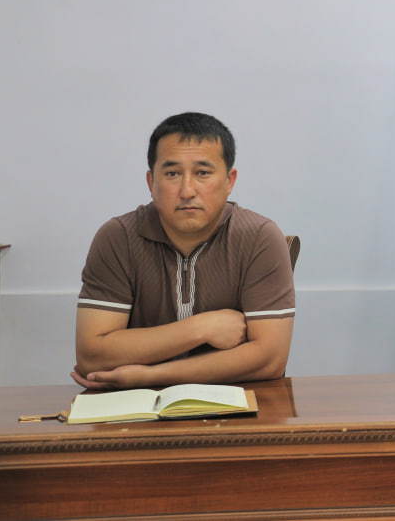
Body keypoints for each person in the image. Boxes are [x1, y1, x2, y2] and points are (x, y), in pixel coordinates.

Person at [73, 112, 295, 390]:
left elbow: (270, 359)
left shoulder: (259, 237)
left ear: (230, 180)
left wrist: (150, 376)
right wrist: (202, 328)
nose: (187, 190)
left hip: (238, 404)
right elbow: (92, 356)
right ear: (151, 183)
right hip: (136, 407)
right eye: (172, 174)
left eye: (203, 173)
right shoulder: (118, 238)